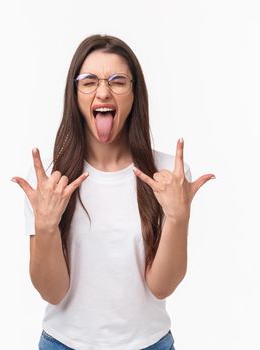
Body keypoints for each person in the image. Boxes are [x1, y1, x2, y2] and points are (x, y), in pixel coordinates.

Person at [11, 34, 215, 350]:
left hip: (149, 344)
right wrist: (45, 226)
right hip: (64, 344)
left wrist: (177, 218)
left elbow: (162, 286)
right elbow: (51, 291)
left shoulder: (166, 176)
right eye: (89, 82)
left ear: (135, 93)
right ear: (74, 94)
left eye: (118, 81)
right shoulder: (50, 180)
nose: (104, 92)